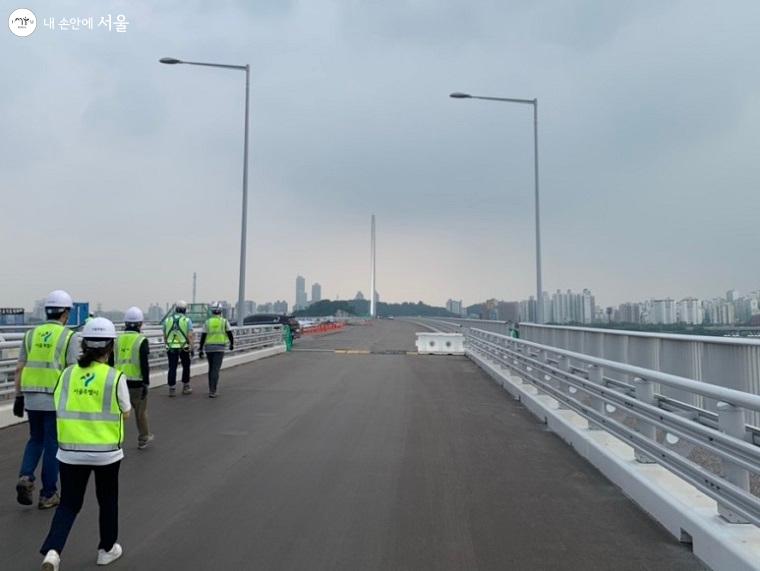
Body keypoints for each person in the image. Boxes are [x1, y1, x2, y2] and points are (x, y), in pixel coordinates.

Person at [40, 317, 131, 570]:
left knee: (69, 503)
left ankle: (52, 553)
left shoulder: (67, 374)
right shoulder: (115, 377)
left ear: (83, 346)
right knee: (107, 499)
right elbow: (126, 411)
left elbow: (59, 403)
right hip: (106, 454)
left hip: (70, 452)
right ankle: (107, 549)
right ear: (111, 346)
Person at [14, 289, 80, 510]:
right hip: (55, 398)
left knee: (35, 439)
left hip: (31, 397)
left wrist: (18, 396)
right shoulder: (69, 336)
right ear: (65, 313)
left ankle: (26, 476)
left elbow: (19, 367)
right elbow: (73, 372)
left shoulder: (31, 334)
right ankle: (48, 494)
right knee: (53, 445)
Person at [113, 306, 154, 449]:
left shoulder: (117, 339)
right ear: (140, 324)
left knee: (117, 414)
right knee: (140, 412)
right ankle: (143, 438)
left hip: (118, 381)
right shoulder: (141, 340)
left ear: (125, 323)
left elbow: (111, 361)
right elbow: (144, 363)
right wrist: (146, 382)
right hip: (136, 383)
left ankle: (114, 439)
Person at [198, 304, 234, 398]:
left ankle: (211, 388)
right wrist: (232, 344)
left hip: (209, 348)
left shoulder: (207, 322)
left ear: (212, 311)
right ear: (221, 311)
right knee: (215, 369)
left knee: (211, 368)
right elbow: (230, 333)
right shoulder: (224, 321)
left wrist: (200, 348)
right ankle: (213, 390)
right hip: (219, 348)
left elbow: (203, 336)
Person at [162, 300, 194, 396]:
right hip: (184, 347)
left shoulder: (167, 320)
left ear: (176, 309)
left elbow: (165, 336)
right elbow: (190, 336)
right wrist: (192, 347)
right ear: (185, 310)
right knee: (186, 366)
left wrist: (167, 344)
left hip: (171, 347)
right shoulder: (187, 320)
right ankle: (186, 386)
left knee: (172, 367)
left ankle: (172, 389)